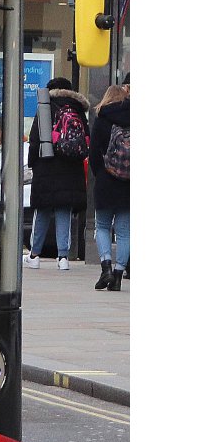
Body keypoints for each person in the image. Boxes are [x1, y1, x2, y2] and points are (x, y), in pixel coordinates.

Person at [23, 77, 91, 270]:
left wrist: (33, 164)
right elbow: (86, 138)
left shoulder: (45, 107)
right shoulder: (77, 108)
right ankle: (63, 258)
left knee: (42, 210)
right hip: (71, 168)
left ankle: (34, 255)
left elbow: (35, 139)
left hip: (46, 166)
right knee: (64, 211)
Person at [89, 81, 130, 291]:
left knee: (102, 226)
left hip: (106, 180)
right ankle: (118, 274)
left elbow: (94, 153)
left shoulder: (102, 119)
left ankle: (105, 266)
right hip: (129, 183)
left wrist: (101, 174)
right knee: (124, 232)